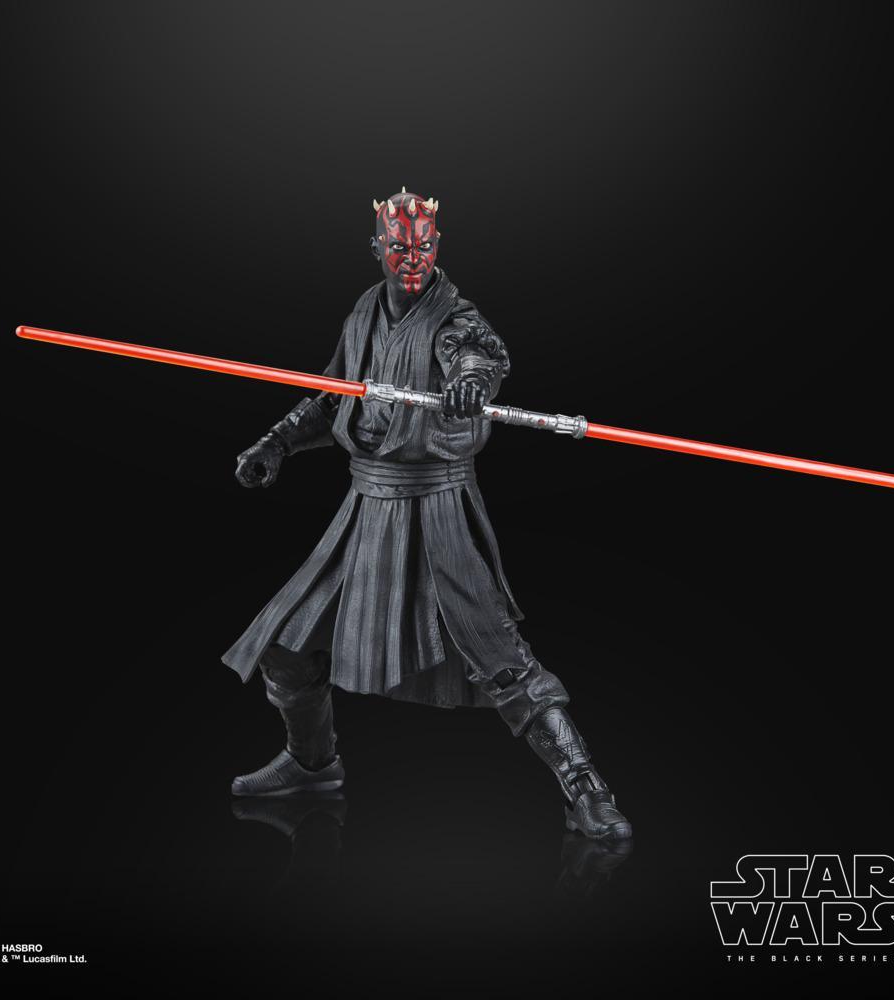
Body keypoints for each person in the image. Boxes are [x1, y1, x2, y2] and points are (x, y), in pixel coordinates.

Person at [224, 189, 631, 842]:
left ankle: (587, 789)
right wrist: (276, 442)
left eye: (421, 247)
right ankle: (312, 765)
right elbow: (335, 396)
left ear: (436, 248)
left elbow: (478, 353)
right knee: (287, 645)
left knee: (502, 661)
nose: (411, 259)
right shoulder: (364, 311)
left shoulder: (454, 317)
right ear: (377, 249)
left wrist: (470, 382)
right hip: (365, 506)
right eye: (398, 247)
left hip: (437, 506)